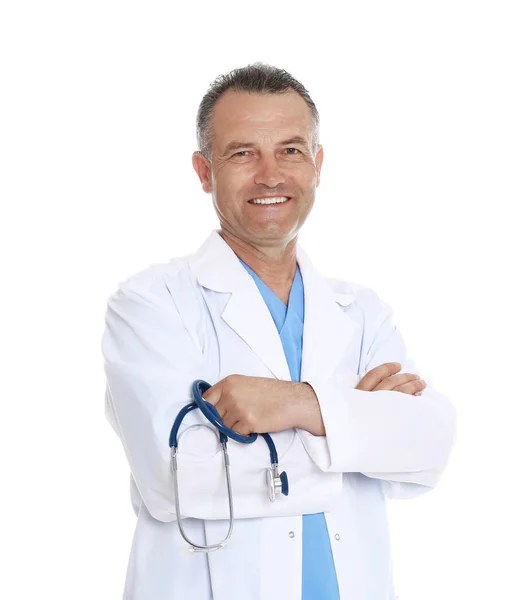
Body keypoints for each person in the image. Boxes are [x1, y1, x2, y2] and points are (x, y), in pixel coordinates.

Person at [101, 62, 457, 600]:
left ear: (317, 166)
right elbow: (178, 479)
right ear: (204, 172)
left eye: (290, 151)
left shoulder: (361, 310)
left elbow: (428, 448)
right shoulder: (150, 305)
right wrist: (356, 434)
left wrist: (299, 406)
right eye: (243, 153)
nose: (271, 174)